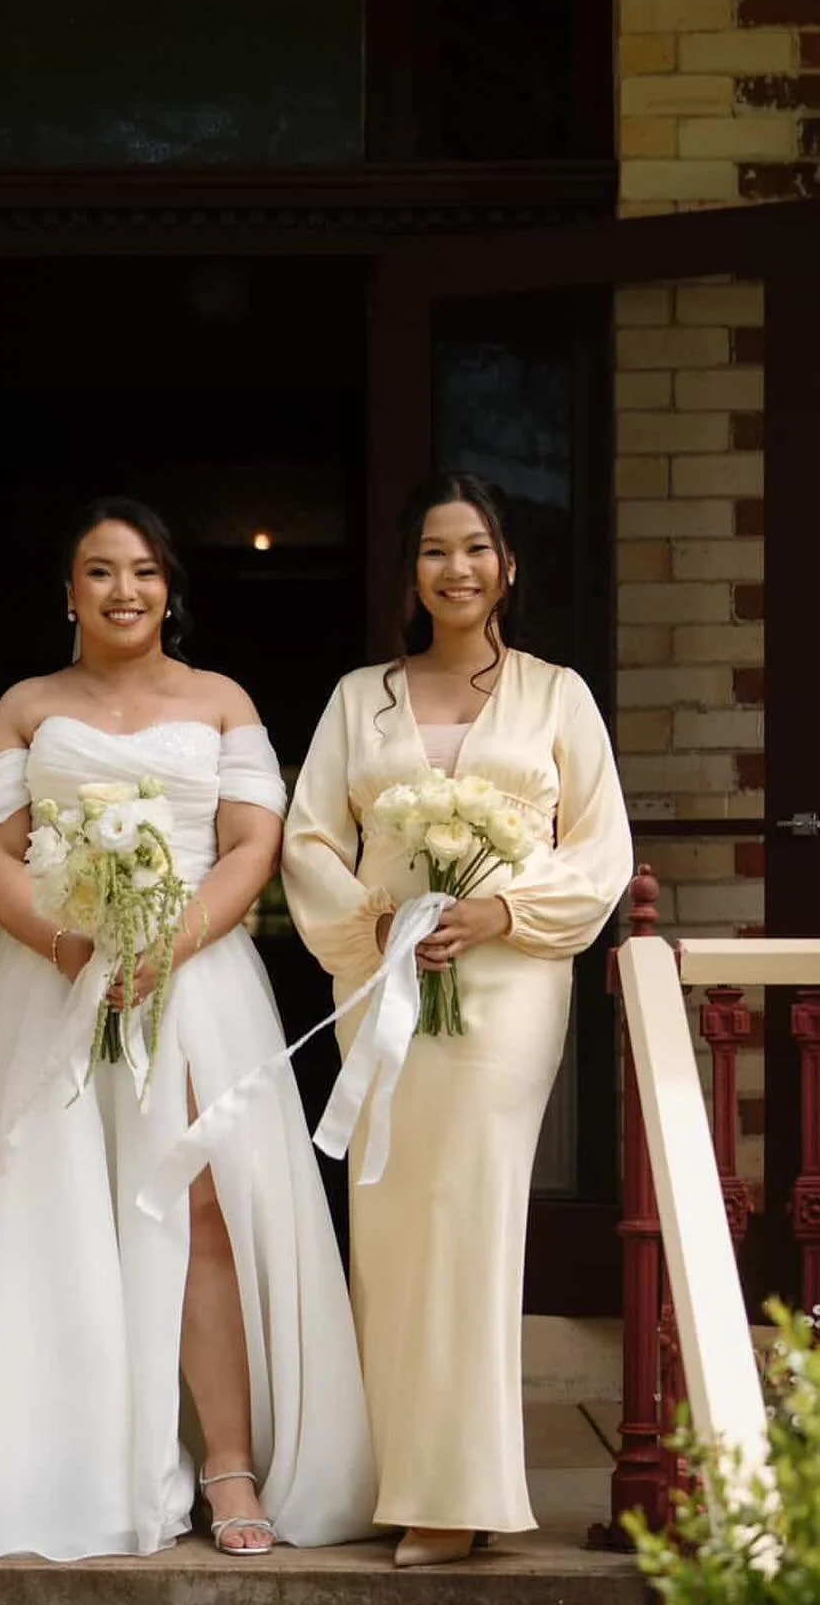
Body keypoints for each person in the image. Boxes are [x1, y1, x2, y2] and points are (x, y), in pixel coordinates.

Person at [0, 496, 376, 1568]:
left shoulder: (221, 698)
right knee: (45, 1214)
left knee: (200, 1206)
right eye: (100, 571)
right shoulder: (25, 705)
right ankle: (61, 1460)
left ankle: (227, 1461)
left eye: (142, 571)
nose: (124, 590)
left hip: (190, 981)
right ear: (69, 592)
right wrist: (63, 945)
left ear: (169, 589)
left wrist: (168, 944)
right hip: (47, 978)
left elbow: (251, 843)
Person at [283, 472, 633, 1568]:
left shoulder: (556, 696)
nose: (457, 569)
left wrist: (499, 910)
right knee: (387, 1220)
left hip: (506, 988)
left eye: (476, 548)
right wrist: (374, 916)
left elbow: (601, 850)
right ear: (413, 573)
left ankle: (463, 1490)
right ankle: (391, 1471)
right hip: (381, 982)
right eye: (436, 552)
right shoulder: (360, 698)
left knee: (474, 1217)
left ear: (509, 567)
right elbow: (306, 840)